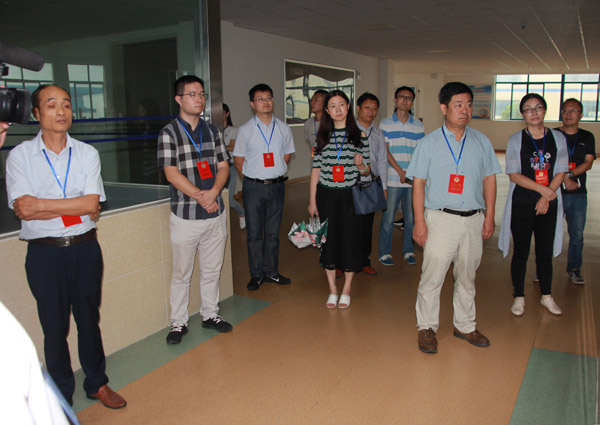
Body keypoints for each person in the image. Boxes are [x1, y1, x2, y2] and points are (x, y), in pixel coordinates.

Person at [5, 84, 127, 408]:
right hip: (44, 253)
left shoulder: (87, 153)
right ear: (36, 113)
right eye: (51, 105)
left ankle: (97, 383)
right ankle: (60, 393)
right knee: (54, 327)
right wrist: (74, 205)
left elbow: (90, 204)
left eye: (66, 105)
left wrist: (41, 204)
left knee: (89, 321)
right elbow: (23, 209)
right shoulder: (20, 156)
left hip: (84, 249)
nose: (61, 111)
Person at [406, 82, 501, 354]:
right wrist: (419, 222)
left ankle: (465, 325)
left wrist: (489, 216)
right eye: (458, 105)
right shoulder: (429, 143)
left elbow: (489, 179)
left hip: (473, 218)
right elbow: (418, 184)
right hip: (440, 218)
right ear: (444, 108)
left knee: (467, 276)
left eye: (469, 105)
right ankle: (426, 327)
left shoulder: (481, 141)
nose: (465, 110)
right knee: (432, 276)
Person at [158, 75, 233, 344]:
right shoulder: (169, 133)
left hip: (215, 213)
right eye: (193, 94)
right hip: (185, 216)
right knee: (182, 274)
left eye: (202, 94)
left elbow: (223, 166)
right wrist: (201, 196)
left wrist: (213, 193)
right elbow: (171, 173)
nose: (199, 99)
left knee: (212, 270)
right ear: (179, 99)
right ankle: (178, 322)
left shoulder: (212, 131)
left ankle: (210, 314)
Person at [499, 93, 568, 316]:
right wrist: (542, 191)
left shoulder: (558, 138)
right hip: (523, 202)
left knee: (544, 252)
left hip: (548, 203)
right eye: (528, 109)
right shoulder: (515, 140)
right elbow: (514, 174)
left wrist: (546, 197)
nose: (534, 112)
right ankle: (518, 296)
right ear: (523, 114)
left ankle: (546, 295)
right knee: (521, 251)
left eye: (538, 107)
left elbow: (561, 170)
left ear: (545, 110)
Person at [308, 90, 370, 309]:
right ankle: (333, 289)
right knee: (328, 240)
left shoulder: (359, 135)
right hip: (326, 195)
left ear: (348, 106)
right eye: (332, 106)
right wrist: (312, 200)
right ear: (327, 110)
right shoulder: (322, 136)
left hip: (349, 195)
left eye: (341, 104)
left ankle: (347, 289)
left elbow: (366, 171)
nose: (338, 109)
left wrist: (361, 164)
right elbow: (316, 171)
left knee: (350, 240)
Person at [234, 83, 296, 291]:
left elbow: (286, 156)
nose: (266, 102)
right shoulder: (245, 130)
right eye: (260, 99)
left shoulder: (283, 128)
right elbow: (239, 161)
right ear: (253, 104)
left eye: (268, 97)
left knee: (273, 232)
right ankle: (256, 274)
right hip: (253, 187)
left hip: (277, 186)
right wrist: (254, 179)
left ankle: (271, 272)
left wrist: (273, 173)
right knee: (254, 233)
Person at [378, 86, 424, 267]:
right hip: (392, 179)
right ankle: (384, 252)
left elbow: (420, 152)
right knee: (388, 218)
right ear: (395, 100)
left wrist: (410, 173)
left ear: (412, 102)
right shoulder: (385, 123)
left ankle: (408, 250)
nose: (405, 100)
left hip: (412, 181)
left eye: (409, 98)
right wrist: (400, 172)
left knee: (411, 218)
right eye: (402, 97)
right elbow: (385, 151)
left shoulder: (418, 125)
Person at [556, 98, 595, 284]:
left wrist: (569, 175)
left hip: (578, 194)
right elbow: (549, 162)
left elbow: (588, 163)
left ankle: (574, 268)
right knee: (549, 232)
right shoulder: (553, 135)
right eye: (565, 110)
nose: (568, 114)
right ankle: (543, 268)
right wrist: (564, 179)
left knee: (577, 235)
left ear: (581, 115)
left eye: (573, 111)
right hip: (554, 192)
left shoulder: (587, 137)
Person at [355, 92, 387, 276]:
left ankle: (363, 261)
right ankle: (344, 262)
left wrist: (384, 187)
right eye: (367, 107)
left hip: (370, 185)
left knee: (367, 226)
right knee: (349, 225)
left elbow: (382, 161)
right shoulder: (348, 130)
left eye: (375, 108)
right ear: (358, 108)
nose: (371, 111)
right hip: (350, 185)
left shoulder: (378, 133)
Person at [223, 103, 246, 229]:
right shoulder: (214, 130)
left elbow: (232, 146)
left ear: (227, 114)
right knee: (220, 198)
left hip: (230, 167)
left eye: (222, 113)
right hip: (217, 169)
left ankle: (242, 213)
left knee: (229, 199)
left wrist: (217, 147)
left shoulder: (233, 130)